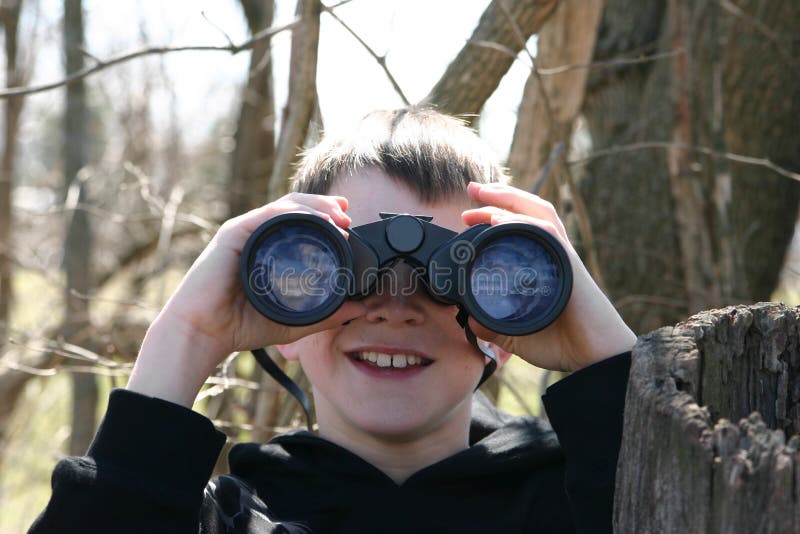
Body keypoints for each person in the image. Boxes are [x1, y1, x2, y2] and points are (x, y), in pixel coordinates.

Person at [29, 108, 636, 534]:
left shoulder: (594, 497)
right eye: (338, 269)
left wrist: (609, 364)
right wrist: (189, 332)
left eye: (451, 276)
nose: (395, 306)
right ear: (283, 325)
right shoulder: (222, 519)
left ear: (505, 332)